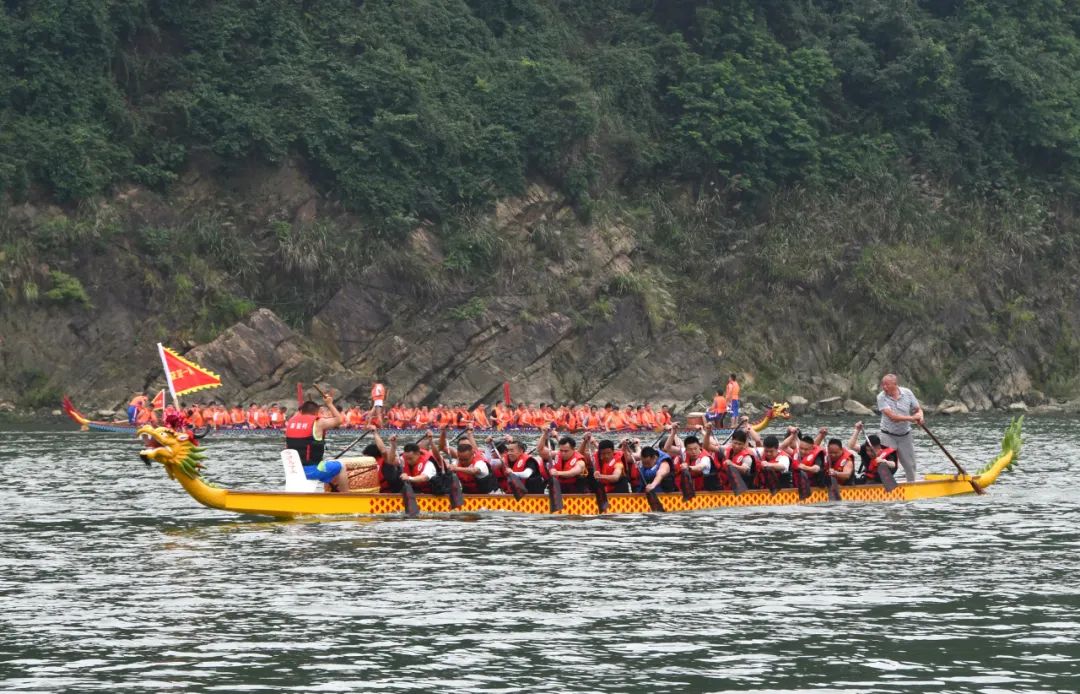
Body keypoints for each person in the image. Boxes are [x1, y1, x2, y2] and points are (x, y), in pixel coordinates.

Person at [284, 391, 348, 492]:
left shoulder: (291, 422)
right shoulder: (318, 422)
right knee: (341, 466)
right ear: (316, 412)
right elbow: (339, 420)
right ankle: (346, 498)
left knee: (328, 463)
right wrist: (329, 404)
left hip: (293, 471)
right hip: (311, 471)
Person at [877, 373, 923, 482]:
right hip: (887, 435)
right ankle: (885, 486)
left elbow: (918, 409)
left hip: (905, 435)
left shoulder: (907, 393)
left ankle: (911, 486)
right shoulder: (881, 397)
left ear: (895, 384)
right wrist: (912, 418)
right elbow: (893, 417)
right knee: (886, 464)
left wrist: (920, 417)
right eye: (883, 384)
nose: (884, 387)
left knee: (910, 465)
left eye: (887, 384)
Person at [442, 428, 498, 494]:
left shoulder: (480, 463)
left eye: (465, 460)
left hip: (487, 495)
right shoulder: (457, 462)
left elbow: (474, 470)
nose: (462, 462)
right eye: (461, 459)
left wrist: (456, 468)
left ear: (472, 454)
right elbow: (443, 448)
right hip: (468, 495)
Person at [538, 427, 587, 493]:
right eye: (561, 450)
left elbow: (574, 472)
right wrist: (544, 434)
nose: (563, 453)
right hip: (558, 488)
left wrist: (558, 473)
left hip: (573, 491)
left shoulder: (580, 461)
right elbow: (540, 450)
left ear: (573, 449)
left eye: (566, 451)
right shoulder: (557, 454)